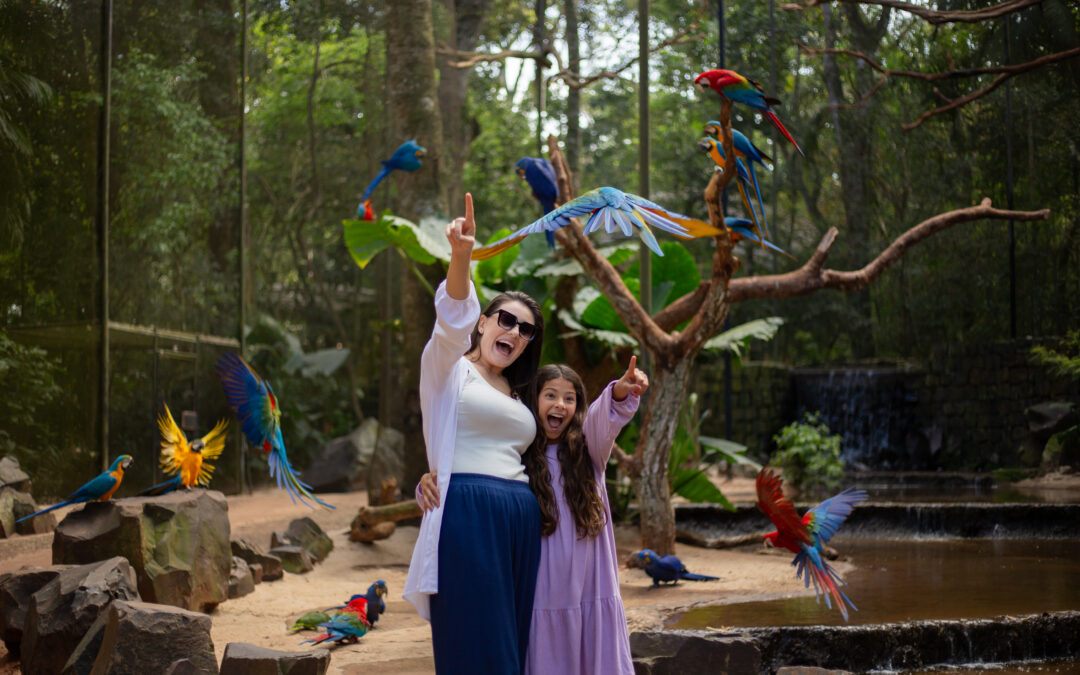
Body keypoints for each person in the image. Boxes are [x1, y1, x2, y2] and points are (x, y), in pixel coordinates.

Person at [418, 357, 648, 675]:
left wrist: (620, 392)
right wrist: (430, 484)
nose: (560, 405)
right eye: (550, 395)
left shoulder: (590, 449)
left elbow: (603, 417)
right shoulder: (518, 456)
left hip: (589, 585)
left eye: (570, 399)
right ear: (533, 400)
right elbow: (473, 470)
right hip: (543, 585)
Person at [403, 193, 546, 674]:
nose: (514, 333)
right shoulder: (448, 369)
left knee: (513, 642)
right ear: (484, 322)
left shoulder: (520, 391)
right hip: (468, 512)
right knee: (475, 644)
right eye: (505, 320)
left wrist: (620, 397)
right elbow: (451, 320)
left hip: (519, 518)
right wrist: (461, 256)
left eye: (525, 330)